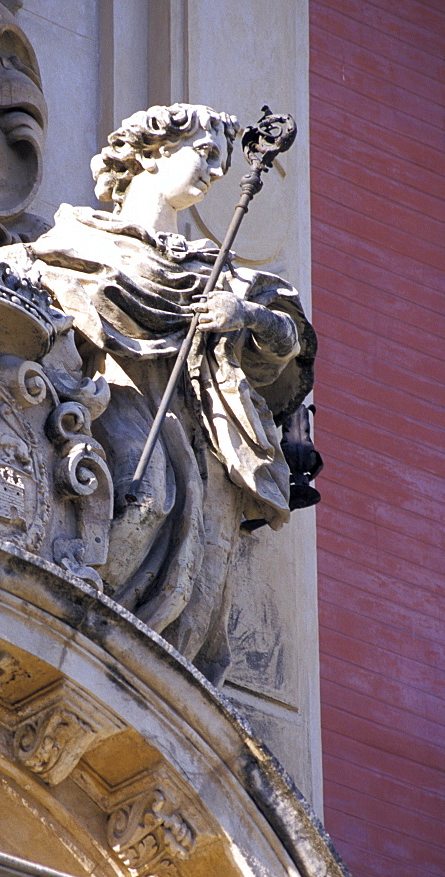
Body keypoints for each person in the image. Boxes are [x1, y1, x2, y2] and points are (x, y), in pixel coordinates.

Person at [25, 103, 316, 684]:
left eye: (222, 163)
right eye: (204, 155)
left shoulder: (213, 268)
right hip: (117, 394)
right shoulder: (80, 238)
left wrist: (245, 312)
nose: (213, 173)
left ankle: (166, 669)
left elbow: (289, 342)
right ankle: (96, 628)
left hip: (201, 423)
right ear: (154, 154)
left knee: (204, 568)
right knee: (148, 493)